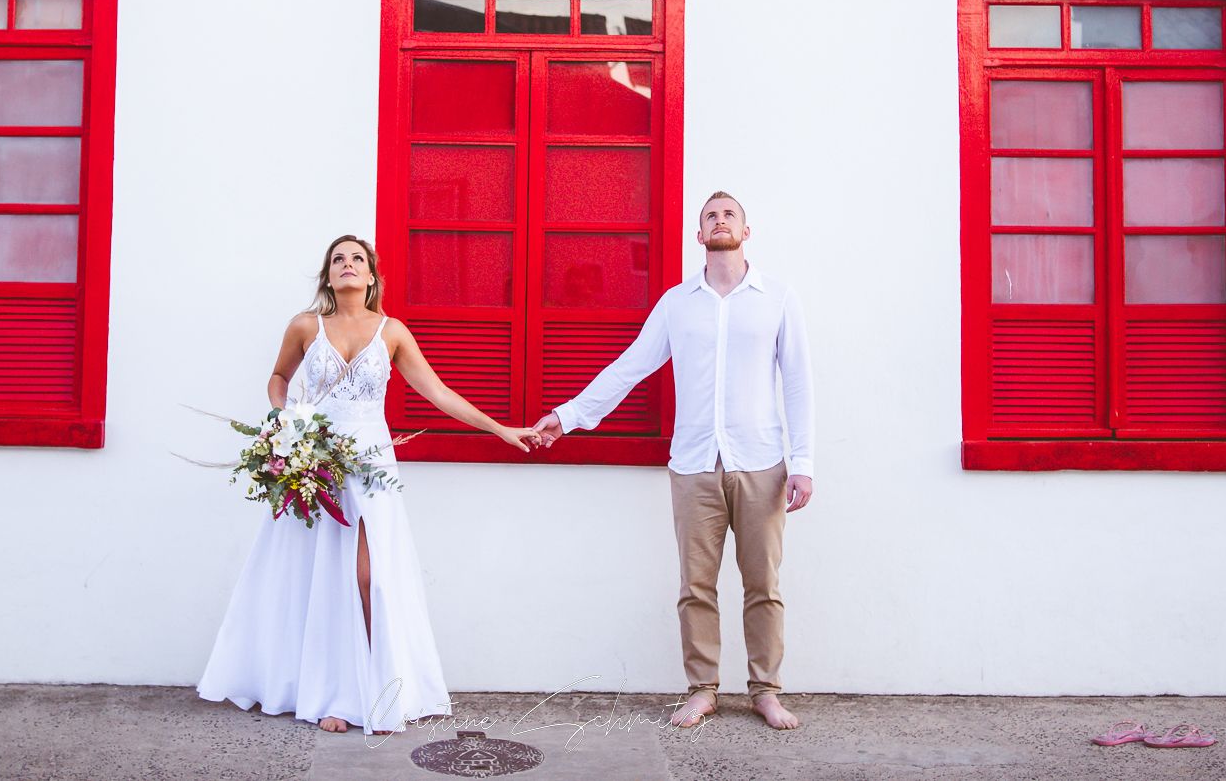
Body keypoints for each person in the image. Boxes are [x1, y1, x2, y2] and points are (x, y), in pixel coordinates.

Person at [198, 234, 541, 734]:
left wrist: (501, 429)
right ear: (328, 275)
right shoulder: (304, 326)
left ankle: (379, 693)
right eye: (338, 260)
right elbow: (278, 378)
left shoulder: (392, 332)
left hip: (371, 464)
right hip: (314, 460)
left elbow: (439, 392)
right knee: (319, 579)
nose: (348, 265)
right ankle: (335, 697)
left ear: (372, 275)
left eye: (357, 259)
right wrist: (285, 421)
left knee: (368, 578)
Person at [533, 192, 815, 731]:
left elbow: (799, 383)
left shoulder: (778, 298)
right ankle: (702, 688)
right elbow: (629, 367)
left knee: (763, 584)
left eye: (729, 213)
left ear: (746, 231)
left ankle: (766, 691)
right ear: (699, 234)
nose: (720, 220)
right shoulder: (677, 304)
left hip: (761, 464)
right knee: (695, 586)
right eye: (710, 215)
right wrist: (566, 417)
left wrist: (802, 461)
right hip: (693, 466)